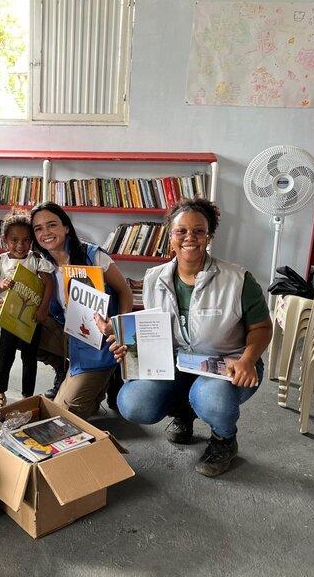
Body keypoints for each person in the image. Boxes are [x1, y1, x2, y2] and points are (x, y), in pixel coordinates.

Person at [105, 198, 272, 478]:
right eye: (181, 231)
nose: (189, 238)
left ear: (209, 236)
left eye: (198, 231)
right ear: (170, 236)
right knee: (133, 403)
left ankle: (224, 439)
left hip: (230, 365)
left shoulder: (237, 279)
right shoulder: (154, 278)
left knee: (210, 398)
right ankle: (184, 412)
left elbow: (262, 328)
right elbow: (154, 330)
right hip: (177, 363)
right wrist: (127, 342)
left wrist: (248, 360)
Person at [30, 202, 134, 418]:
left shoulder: (93, 255)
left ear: (66, 227)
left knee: (66, 414)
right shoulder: (42, 263)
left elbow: (125, 291)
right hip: (69, 334)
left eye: (52, 225)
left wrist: (118, 329)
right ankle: (65, 371)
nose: (45, 232)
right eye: (38, 228)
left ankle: (107, 374)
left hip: (100, 341)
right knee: (22, 332)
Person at [0, 208, 55, 410]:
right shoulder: (1, 262)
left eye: (26, 240)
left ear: (32, 241)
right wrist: (0, 285)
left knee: (29, 357)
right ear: (5, 240)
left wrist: (43, 309)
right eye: (14, 240)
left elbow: (49, 284)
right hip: (9, 317)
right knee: (5, 354)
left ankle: (27, 395)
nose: (20, 245)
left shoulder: (36, 260)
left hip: (31, 319)